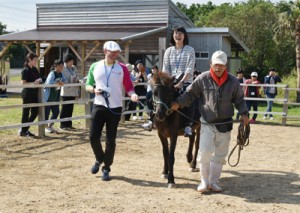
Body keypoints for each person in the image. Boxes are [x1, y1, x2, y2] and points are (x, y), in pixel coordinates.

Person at [170, 50, 249, 193]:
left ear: (226, 65)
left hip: (225, 124)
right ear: (210, 64)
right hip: (207, 122)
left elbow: (239, 100)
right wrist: (178, 103)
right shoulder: (202, 78)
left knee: (220, 154)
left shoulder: (233, 82)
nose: (218, 67)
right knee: (205, 151)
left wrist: (244, 114)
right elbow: (190, 93)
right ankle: (204, 181)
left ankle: (213, 182)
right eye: (215, 64)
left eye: (221, 65)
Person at [85, 41, 138, 181]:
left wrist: (132, 94)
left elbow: (128, 86)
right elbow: (88, 84)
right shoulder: (95, 66)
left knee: (111, 139)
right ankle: (99, 158)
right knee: (93, 137)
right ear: (105, 51)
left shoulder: (122, 68)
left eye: (117, 52)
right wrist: (94, 90)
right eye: (112, 52)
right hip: (99, 105)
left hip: (115, 107)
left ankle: (106, 168)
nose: (115, 54)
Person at [162, 26, 196, 137]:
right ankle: (152, 119)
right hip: (171, 82)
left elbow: (189, 70)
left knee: (188, 96)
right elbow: (165, 69)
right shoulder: (168, 51)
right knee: (151, 94)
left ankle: (188, 125)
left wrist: (181, 83)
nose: (178, 35)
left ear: (184, 36)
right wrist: (167, 82)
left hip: (185, 81)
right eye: (175, 33)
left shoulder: (190, 50)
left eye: (180, 33)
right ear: (172, 36)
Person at [19, 53, 43, 137]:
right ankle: (23, 130)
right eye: (35, 60)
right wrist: (34, 82)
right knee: (26, 112)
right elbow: (23, 83)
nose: (36, 62)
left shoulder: (35, 69)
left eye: (37, 60)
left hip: (34, 93)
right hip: (27, 93)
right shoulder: (25, 70)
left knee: (35, 111)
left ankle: (24, 129)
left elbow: (39, 78)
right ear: (29, 59)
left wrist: (40, 80)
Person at [44, 59, 67, 133]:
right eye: (60, 66)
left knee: (56, 112)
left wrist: (62, 82)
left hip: (56, 96)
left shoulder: (61, 74)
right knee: (46, 113)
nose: (61, 68)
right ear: (55, 66)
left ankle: (50, 125)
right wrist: (57, 82)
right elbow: (49, 83)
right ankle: (45, 127)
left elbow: (65, 80)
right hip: (49, 97)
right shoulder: (52, 73)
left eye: (62, 66)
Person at [59, 54, 79, 130]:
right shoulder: (63, 68)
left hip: (73, 91)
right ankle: (63, 125)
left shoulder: (74, 68)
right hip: (66, 91)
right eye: (70, 61)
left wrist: (76, 79)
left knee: (70, 108)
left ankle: (69, 124)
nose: (71, 62)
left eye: (72, 61)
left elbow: (77, 75)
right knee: (65, 108)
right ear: (66, 62)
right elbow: (63, 78)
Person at [141, 65, 160, 131]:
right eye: (152, 69)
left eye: (155, 69)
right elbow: (146, 79)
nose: (153, 70)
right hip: (149, 91)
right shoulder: (149, 75)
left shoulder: (158, 76)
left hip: (155, 92)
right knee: (149, 104)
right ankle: (150, 116)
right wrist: (143, 74)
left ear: (157, 70)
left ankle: (153, 118)